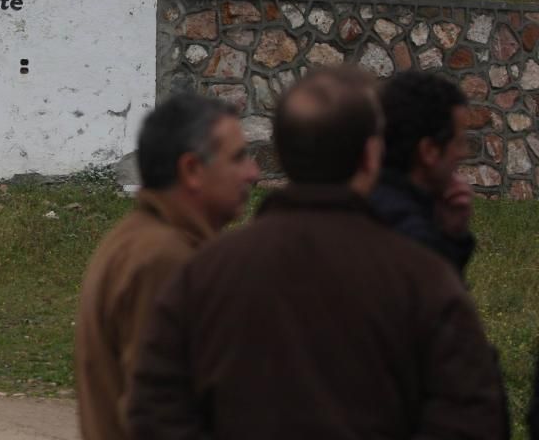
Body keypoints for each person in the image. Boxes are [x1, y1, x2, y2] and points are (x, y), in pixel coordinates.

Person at [127, 67, 506, 439]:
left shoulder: (205, 272)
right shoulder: (422, 275)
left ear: (282, 153)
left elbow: (154, 408)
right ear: (370, 156)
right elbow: (472, 414)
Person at [75, 92, 258, 440]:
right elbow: (158, 412)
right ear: (192, 170)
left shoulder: (138, 238)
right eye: (237, 158)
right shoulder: (164, 259)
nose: (253, 173)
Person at [371, 71, 475, 276]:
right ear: (429, 151)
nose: (464, 154)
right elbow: (440, 304)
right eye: (460, 143)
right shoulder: (415, 242)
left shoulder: (356, 203)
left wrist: (450, 234)